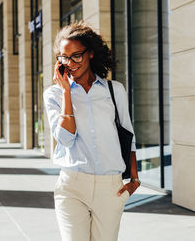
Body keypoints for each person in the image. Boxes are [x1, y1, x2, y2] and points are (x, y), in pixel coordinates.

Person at [43, 21, 140, 241]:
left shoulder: (114, 90)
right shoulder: (54, 95)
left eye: (76, 55)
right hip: (72, 186)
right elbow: (65, 139)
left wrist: (134, 180)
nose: (70, 63)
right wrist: (67, 93)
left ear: (91, 54)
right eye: (63, 57)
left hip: (110, 187)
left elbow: (128, 135)